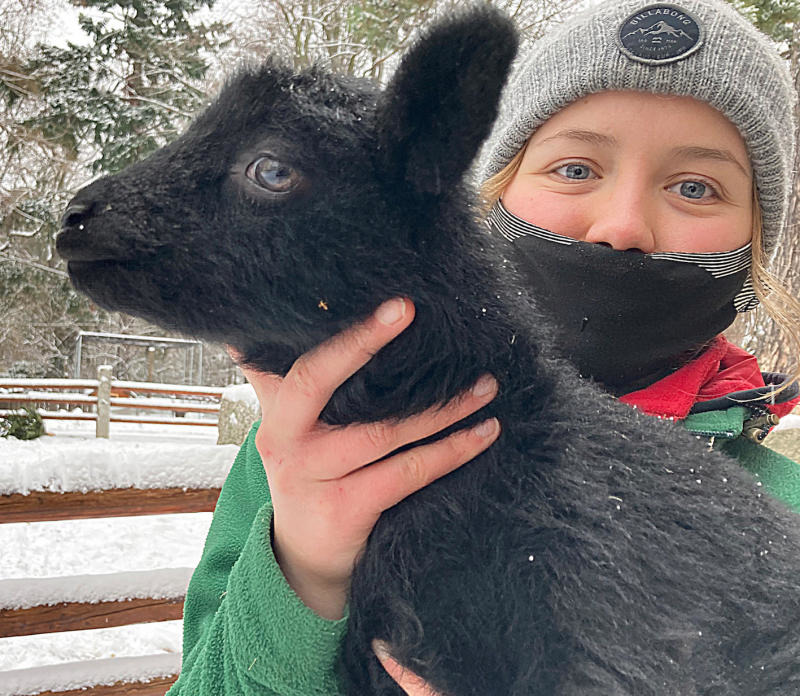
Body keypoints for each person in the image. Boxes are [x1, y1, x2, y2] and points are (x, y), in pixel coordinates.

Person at [167, 1, 800, 694]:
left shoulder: (783, 506)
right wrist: (306, 571)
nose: (622, 226)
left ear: (753, 252)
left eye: (694, 186)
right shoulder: (306, 457)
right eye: (576, 169)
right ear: (488, 202)